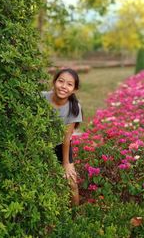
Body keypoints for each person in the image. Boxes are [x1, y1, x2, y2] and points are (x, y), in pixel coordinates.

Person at [42, 68, 82, 206]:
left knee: (71, 182)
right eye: (61, 81)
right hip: (40, 144)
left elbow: (66, 138)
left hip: (61, 146)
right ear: (54, 82)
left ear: (74, 89)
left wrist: (66, 163)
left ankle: (75, 217)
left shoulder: (74, 107)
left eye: (69, 84)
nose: (64, 86)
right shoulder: (41, 98)